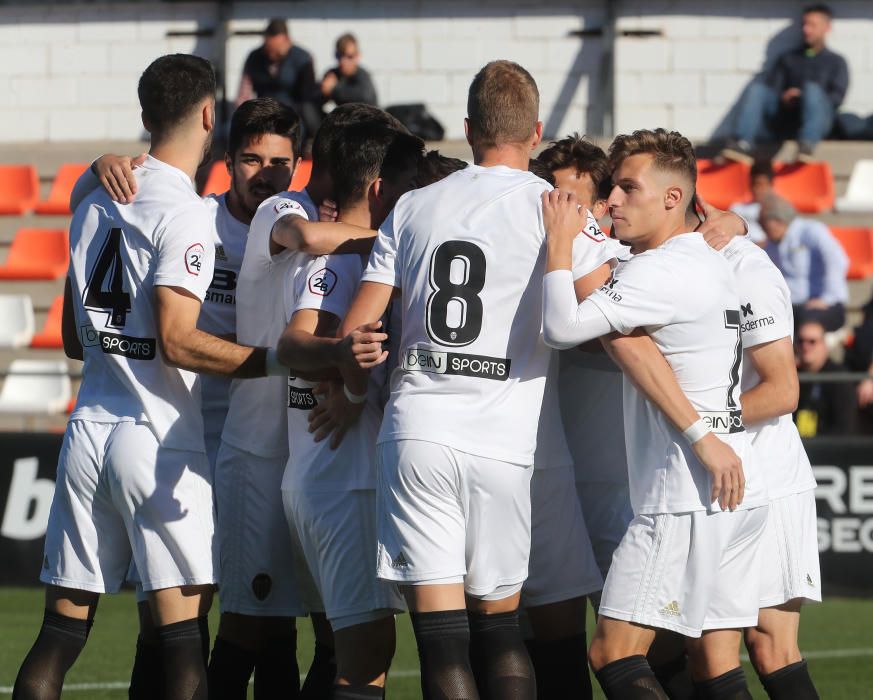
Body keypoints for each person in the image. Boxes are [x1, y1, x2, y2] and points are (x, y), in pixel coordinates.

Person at [13, 54, 289, 700]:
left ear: (144, 115)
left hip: (88, 431)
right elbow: (176, 341)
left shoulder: (90, 202)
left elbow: (74, 342)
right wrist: (275, 361)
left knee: (58, 634)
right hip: (158, 435)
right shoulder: (186, 210)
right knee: (184, 641)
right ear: (207, 114)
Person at [338, 59, 588, 700]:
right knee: (501, 633)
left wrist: (349, 387)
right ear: (536, 130)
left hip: (418, 430)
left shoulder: (416, 204)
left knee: (441, 642)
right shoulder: (554, 206)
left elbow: (357, 329)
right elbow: (608, 293)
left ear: (471, 127)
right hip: (506, 444)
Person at [542, 128, 770, 698]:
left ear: (672, 198)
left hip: (682, 495)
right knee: (712, 662)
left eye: (626, 188)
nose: (612, 201)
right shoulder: (708, 259)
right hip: (729, 484)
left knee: (613, 652)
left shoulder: (657, 272)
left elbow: (561, 327)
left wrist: (560, 245)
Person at [208, 104, 405, 699]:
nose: (268, 173)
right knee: (250, 629)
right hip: (259, 455)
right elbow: (314, 240)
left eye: (281, 161)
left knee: (325, 633)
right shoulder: (286, 209)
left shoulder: (332, 232)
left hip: (302, 446)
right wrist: (408, 234)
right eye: (252, 159)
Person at [275, 123, 424, 700]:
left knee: (355, 652)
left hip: (335, 476)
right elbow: (294, 345)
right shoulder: (344, 260)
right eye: (410, 182)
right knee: (365, 657)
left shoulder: (367, 252)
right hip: (341, 478)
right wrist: (345, 369)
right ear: (383, 187)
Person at [721, 4, 849, 164]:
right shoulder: (788, 58)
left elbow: (836, 99)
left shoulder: (836, 62)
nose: (806, 30)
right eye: (805, 24)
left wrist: (807, 97)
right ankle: (742, 143)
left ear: (827, 27)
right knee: (757, 89)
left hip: (818, 122)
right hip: (785, 118)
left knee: (812, 90)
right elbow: (772, 90)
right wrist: (785, 97)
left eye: (812, 25)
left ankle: (807, 145)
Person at [759, 194, 848, 331]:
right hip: (792, 306)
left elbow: (837, 259)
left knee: (807, 325)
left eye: (764, 223)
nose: (763, 229)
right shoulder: (772, 244)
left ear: (777, 220)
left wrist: (827, 298)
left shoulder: (811, 231)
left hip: (823, 304)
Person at [237, 19, 320, 138]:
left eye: (277, 50)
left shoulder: (303, 59)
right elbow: (243, 94)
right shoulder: (254, 58)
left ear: (288, 41)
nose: (272, 55)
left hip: (294, 115)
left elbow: (308, 97)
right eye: (269, 49)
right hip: (263, 114)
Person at [794, 319, 858, 436]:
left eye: (812, 341)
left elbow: (843, 429)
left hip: (827, 449)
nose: (805, 346)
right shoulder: (793, 376)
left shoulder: (839, 379)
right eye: (801, 341)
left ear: (824, 344)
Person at [321, 33, 378, 108]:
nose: (343, 61)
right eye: (339, 56)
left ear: (357, 56)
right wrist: (323, 91)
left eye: (349, 56)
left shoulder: (362, 75)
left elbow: (365, 98)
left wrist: (334, 90)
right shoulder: (332, 74)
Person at [729, 159, 775, 245]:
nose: (757, 190)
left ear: (771, 185)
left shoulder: (778, 210)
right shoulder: (736, 208)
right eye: (754, 184)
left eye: (761, 185)